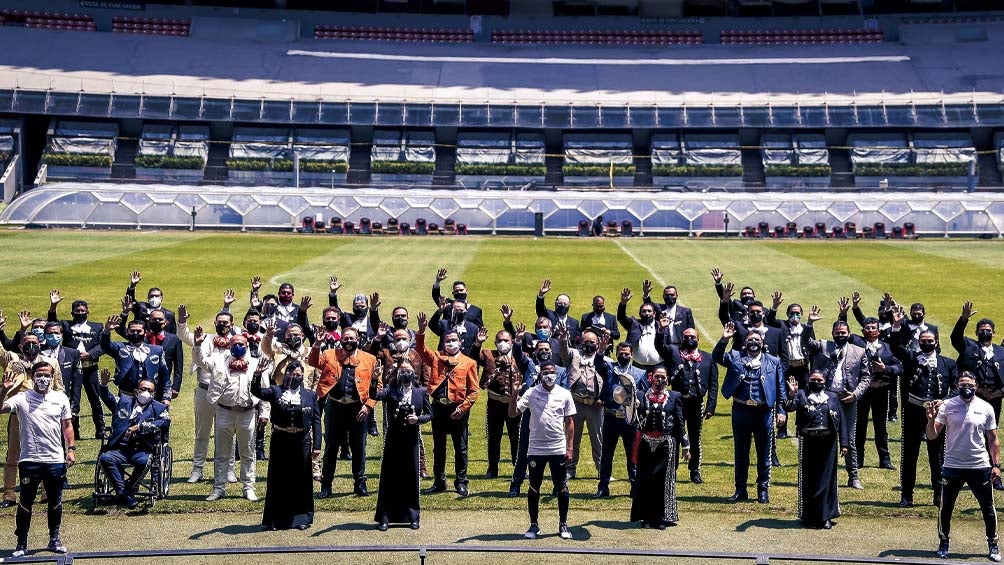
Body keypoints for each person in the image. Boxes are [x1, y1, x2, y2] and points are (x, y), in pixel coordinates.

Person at [0, 361, 74, 557]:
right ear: (33, 376)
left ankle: (54, 539)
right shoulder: (21, 398)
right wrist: (3, 390)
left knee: (55, 501)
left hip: (55, 459)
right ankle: (21, 543)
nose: (43, 378)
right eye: (39, 374)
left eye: (47, 375)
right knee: (26, 502)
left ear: (52, 377)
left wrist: (71, 449)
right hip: (30, 459)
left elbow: (67, 425)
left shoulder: (60, 398)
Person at [927, 372, 1001, 562]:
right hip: (953, 465)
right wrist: (930, 418)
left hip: (980, 465)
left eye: (969, 384)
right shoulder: (948, 406)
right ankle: (944, 542)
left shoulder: (986, 408)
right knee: (946, 507)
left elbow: (993, 439)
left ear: (976, 385)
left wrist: (996, 465)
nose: (965, 387)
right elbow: (932, 435)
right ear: (957, 385)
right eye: (962, 384)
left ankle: (993, 543)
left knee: (988, 507)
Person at [714, 322, 787, 504]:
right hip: (741, 410)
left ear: (762, 342)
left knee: (764, 452)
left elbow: (780, 388)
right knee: (741, 451)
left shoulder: (774, 361)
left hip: (764, 411)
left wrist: (781, 411)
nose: (753, 342)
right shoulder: (735, 356)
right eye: (750, 340)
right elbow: (716, 356)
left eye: (757, 339)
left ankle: (763, 490)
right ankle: (740, 490)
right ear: (745, 343)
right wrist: (724, 339)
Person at [309, 327, 381, 498]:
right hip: (335, 407)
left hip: (358, 408)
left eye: (352, 338)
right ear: (341, 339)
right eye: (346, 338)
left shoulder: (369, 359)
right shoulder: (329, 354)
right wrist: (317, 344)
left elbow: (378, 386)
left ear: (358, 339)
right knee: (331, 447)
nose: (349, 341)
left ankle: (360, 483)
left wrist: (368, 406)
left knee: (358, 448)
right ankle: (326, 485)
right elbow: (313, 361)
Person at [194, 329, 265, 502]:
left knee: (248, 452)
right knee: (221, 452)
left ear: (247, 346)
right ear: (229, 345)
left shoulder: (256, 364)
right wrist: (197, 346)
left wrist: (264, 412)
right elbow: (200, 361)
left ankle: (248, 487)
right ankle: (219, 488)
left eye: (241, 344)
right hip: (224, 411)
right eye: (234, 344)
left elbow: (264, 390)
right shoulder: (218, 361)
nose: (238, 346)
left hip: (247, 413)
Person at [251, 360, 321, 531]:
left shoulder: (310, 395)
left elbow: (316, 421)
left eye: (298, 375)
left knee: (302, 479)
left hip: (302, 439)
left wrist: (317, 445)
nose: (294, 377)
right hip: (280, 438)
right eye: (291, 374)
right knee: (278, 478)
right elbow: (256, 391)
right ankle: (274, 520)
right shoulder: (276, 391)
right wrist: (257, 375)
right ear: (285, 374)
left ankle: (302, 517)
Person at [509, 360, 575, 540]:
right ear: (540, 374)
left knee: (561, 486)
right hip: (536, 448)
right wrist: (515, 393)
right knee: (534, 487)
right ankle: (534, 525)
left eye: (552, 371)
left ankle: (563, 524)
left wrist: (570, 448)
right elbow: (513, 413)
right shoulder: (531, 392)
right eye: (545, 372)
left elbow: (569, 423)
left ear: (557, 374)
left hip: (557, 447)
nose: (549, 375)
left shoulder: (564, 394)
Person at [416, 312, 480, 496]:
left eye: (453, 340)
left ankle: (461, 481)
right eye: (447, 340)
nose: (450, 343)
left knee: (460, 448)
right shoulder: (436, 357)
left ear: (460, 342)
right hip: (439, 407)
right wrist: (421, 330)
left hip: (457, 409)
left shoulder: (469, 363)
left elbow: (474, 390)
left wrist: (463, 408)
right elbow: (421, 350)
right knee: (439, 447)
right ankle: (439, 481)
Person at [803, 317, 871, 489]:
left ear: (848, 334)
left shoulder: (859, 351)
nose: (840, 335)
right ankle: (823, 475)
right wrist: (809, 324)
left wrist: (856, 394)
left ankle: (853, 476)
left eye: (843, 333)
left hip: (847, 399)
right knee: (824, 436)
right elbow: (806, 342)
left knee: (849, 438)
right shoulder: (824, 346)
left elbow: (866, 376)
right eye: (837, 333)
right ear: (832, 334)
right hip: (826, 399)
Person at [0, 331, 64, 508]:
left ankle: (46, 492)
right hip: (18, 414)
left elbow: (59, 387)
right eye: (27, 343)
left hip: (45, 414)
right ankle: (9, 494)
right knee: (13, 455)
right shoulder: (14, 361)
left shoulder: (50, 363)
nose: (31, 346)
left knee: (47, 453)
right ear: (21, 346)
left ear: (40, 344)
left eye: (34, 343)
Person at [899, 330, 956, 508]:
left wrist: (944, 400)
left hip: (937, 413)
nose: (927, 344)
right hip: (913, 413)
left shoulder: (948, 363)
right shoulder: (911, 359)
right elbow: (896, 347)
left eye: (930, 341)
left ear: (936, 342)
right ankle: (906, 496)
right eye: (923, 341)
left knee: (937, 455)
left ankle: (939, 495)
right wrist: (897, 327)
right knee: (909, 454)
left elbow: (955, 388)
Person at [177, 306, 234, 484]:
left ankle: (229, 470)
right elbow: (185, 336)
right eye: (220, 322)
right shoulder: (206, 338)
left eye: (226, 322)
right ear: (214, 323)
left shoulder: (238, 342)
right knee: (202, 432)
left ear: (232, 325)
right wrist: (181, 321)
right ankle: (197, 469)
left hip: (226, 393)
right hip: (204, 390)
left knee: (227, 433)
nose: (222, 325)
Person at [374, 361, 432, 530]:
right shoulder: (391, 389)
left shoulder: (421, 392)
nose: (406, 373)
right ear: (398, 373)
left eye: (409, 371)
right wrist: (375, 377)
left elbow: (430, 414)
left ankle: (413, 516)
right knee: (389, 477)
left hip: (411, 441)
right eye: (403, 370)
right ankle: (385, 517)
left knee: (411, 477)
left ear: (414, 373)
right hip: (393, 440)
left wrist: (418, 420)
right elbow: (375, 396)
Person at [97, 377, 170, 510]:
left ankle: (125, 491)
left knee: (144, 462)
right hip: (120, 448)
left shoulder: (159, 408)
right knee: (105, 458)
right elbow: (108, 398)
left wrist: (141, 427)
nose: (146, 392)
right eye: (143, 389)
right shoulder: (123, 402)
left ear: (154, 393)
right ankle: (125, 494)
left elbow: (164, 422)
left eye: (150, 390)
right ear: (136, 392)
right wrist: (103, 385)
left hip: (142, 449)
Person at [631, 365, 689, 529]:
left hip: (666, 444)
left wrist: (685, 445)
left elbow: (679, 421)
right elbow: (632, 418)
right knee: (645, 479)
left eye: (663, 377)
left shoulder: (674, 396)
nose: (660, 380)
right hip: (645, 443)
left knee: (662, 481)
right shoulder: (641, 395)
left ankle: (660, 518)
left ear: (668, 379)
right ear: (651, 378)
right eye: (657, 376)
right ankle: (646, 518)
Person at [658, 327, 718, 484]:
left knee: (694, 437)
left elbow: (713, 384)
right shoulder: (675, 353)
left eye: (692, 337)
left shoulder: (707, 358)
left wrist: (711, 406)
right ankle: (673, 469)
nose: (689, 339)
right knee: (675, 435)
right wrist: (662, 331)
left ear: (698, 339)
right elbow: (660, 346)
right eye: (686, 337)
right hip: (678, 403)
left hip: (696, 403)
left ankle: (695, 470)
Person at [47, 291, 109, 438]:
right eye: (77, 311)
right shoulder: (66, 326)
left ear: (88, 311)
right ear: (72, 312)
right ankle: (74, 430)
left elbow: (104, 345)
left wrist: (91, 354)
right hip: (72, 370)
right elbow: (52, 324)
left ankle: (100, 429)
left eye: (82, 311)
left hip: (90, 368)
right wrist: (53, 306)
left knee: (95, 398)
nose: (80, 313)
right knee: (71, 399)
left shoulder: (97, 327)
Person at [791, 371, 849, 529]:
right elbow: (789, 407)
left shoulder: (832, 397)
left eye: (819, 379)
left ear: (824, 381)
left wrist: (844, 444)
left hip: (828, 442)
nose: (816, 382)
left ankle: (826, 516)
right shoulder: (802, 394)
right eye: (813, 379)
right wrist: (791, 394)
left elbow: (842, 421)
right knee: (809, 479)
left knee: (826, 480)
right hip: (808, 441)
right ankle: (808, 516)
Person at [594, 342, 648, 497]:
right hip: (611, 416)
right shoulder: (609, 368)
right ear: (616, 354)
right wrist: (601, 351)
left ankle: (635, 486)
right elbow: (597, 365)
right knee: (607, 454)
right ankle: (603, 486)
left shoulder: (639, 373)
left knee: (632, 454)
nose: (624, 356)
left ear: (632, 354)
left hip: (630, 419)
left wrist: (639, 401)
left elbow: (644, 392)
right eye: (621, 353)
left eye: (627, 353)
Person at [558, 327, 605, 480]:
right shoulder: (574, 355)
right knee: (572, 437)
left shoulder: (603, 359)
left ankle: (601, 469)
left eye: (592, 342)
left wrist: (603, 398)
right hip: (576, 402)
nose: (589, 345)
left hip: (595, 406)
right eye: (586, 342)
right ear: (581, 343)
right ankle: (570, 469)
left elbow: (609, 383)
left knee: (598, 438)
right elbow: (564, 352)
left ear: (597, 344)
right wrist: (564, 338)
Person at [478, 330, 523, 480]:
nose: (502, 343)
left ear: (511, 342)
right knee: (494, 436)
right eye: (499, 340)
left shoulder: (519, 356)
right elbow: (472, 357)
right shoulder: (488, 354)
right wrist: (478, 343)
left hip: (514, 403)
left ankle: (519, 467)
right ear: (495, 342)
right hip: (495, 402)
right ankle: (492, 468)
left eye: (506, 340)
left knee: (516, 436)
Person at [951, 301, 1004, 424]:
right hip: (970, 396)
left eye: (988, 330)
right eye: (982, 330)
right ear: (976, 333)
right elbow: (955, 338)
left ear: (994, 333)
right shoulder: (968, 346)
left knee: (990, 430)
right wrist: (963, 319)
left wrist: (1000, 392)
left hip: (994, 398)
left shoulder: (1001, 352)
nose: (985, 333)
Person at [642, 280, 695, 348]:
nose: (670, 297)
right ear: (663, 296)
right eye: (667, 295)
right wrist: (646, 294)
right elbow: (648, 304)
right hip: (664, 346)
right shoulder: (659, 309)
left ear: (677, 296)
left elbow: (692, 330)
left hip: (681, 346)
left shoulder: (685, 312)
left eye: (672, 295)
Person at [536, 279, 581, 345]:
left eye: (565, 304)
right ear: (555, 303)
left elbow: (577, 340)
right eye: (560, 303)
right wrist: (541, 295)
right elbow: (540, 308)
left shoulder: (574, 322)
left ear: (569, 305)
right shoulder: (548, 315)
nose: (562, 306)